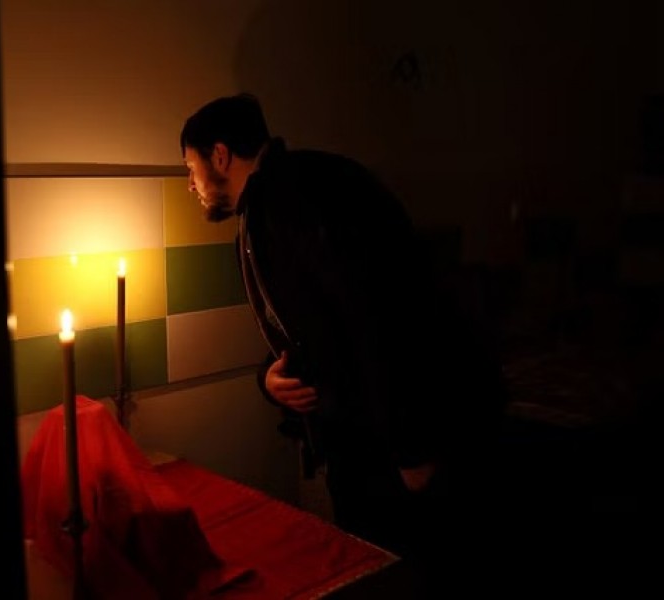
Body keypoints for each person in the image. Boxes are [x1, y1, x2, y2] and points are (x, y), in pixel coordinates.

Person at [179, 93, 510, 577]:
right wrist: (268, 380)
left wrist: (411, 446)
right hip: (369, 433)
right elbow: (312, 327)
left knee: (409, 570)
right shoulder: (273, 204)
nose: (190, 184)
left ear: (221, 155)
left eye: (191, 168)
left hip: (396, 435)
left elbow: (380, 315)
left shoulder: (299, 198)